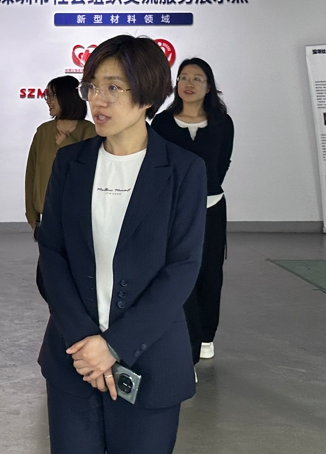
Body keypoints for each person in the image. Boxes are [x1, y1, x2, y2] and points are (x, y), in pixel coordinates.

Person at [37, 35, 206, 454]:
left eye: (114, 87)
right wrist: (86, 343)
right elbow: (52, 254)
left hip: (150, 362)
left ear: (147, 95)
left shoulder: (183, 170)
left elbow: (182, 268)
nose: (99, 99)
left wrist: (114, 346)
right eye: (93, 86)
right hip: (74, 359)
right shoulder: (70, 163)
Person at [151, 58, 234, 364]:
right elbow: (157, 168)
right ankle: (184, 338)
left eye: (197, 78)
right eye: (183, 77)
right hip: (173, 212)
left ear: (208, 86)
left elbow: (222, 163)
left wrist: (204, 191)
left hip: (211, 208)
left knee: (210, 273)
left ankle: (206, 335)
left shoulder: (222, 122)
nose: (188, 83)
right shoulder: (162, 123)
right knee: (178, 273)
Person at [25, 75, 96, 238]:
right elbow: (32, 173)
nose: (48, 101)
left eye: (52, 96)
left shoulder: (89, 131)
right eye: (47, 96)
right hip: (48, 215)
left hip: (79, 216)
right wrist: (31, 213)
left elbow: (89, 170)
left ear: (67, 96)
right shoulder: (43, 131)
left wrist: (67, 144)